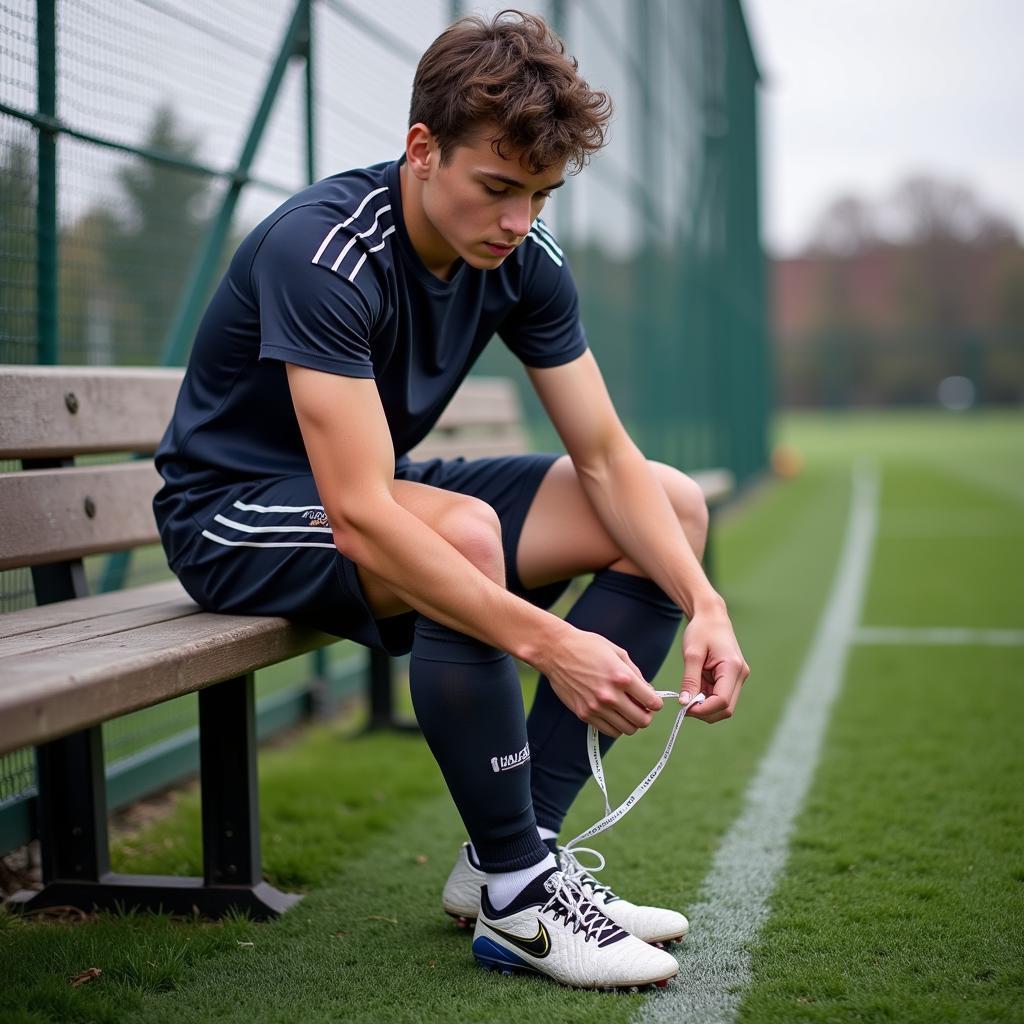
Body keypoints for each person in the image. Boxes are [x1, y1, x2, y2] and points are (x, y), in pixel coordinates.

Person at [154, 10, 749, 991]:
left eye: (541, 196)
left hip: (369, 493)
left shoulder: (523, 257)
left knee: (672, 509)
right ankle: (519, 897)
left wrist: (707, 603)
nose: (517, 221)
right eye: (497, 188)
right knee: (466, 533)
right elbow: (358, 516)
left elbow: (602, 453)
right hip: (232, 516)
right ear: (421, 149)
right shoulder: (324, 250)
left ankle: (511, 861)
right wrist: (550, 643)